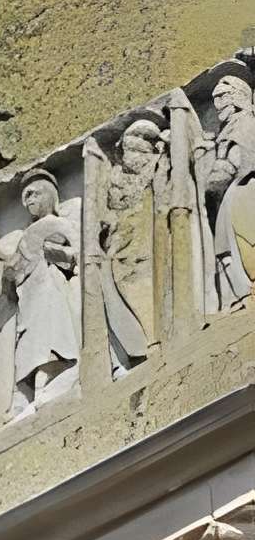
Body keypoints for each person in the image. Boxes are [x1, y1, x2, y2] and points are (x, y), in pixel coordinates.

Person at [2, 171, 79, 412]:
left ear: (48, 195)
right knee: (29, 342)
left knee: (49, 336)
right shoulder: (27, 234)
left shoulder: (58, 224)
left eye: (34, 194)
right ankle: (28, 395)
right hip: (28, 295)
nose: (29, 201)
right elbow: (14, 268)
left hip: (49, 287)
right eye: (26, 198)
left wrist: (51, 251)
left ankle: (50, 384)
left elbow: (77, 253)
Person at [100, 114, 163, 370]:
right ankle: (146, 340)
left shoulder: (158, 168)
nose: (129, 157)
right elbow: (113, 213)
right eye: (126, 151)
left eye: (134, 151)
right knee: (127, 286)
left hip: (148, 243)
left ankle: (155, 336)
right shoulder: (118, 180)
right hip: (124, 248)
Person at [201, 73, 255, 308]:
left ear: (237, 97)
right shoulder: (230, 127)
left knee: (244, 239)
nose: (217, 104)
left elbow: (233, 162)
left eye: (222, 96)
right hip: (234, 193)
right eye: (215, 98)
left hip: (245, 189)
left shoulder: (243, 124)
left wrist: (204, 180)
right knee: (227, 247)